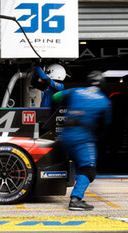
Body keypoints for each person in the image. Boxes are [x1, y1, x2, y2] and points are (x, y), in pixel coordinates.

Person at [52, 71, 112, 211]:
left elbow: (55, 97)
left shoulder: (76, 91)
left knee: (79, 165)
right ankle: (75, 199)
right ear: (102, 84)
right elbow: (106, 126)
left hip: (66, 135)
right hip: (83, 137)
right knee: (88, 168)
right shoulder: (104, 101)